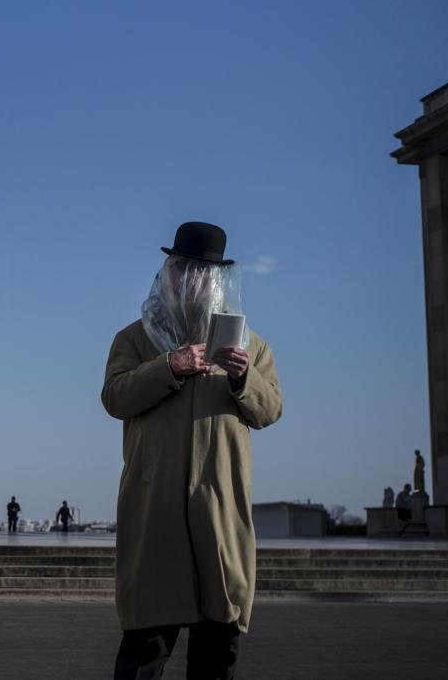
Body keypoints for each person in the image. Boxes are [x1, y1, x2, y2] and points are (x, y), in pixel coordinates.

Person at [102, 222, 282, 680]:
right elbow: (115, 397)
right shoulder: (135, 338)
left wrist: (243, 378)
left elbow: (270, 409)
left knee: (216, 648)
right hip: (156, 508)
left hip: (219, 511)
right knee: (146, 645)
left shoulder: (250, 345)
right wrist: (169, 365)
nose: (187, 279)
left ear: (217, 279)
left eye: (199, 272)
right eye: (179, 268)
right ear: (168, 273)